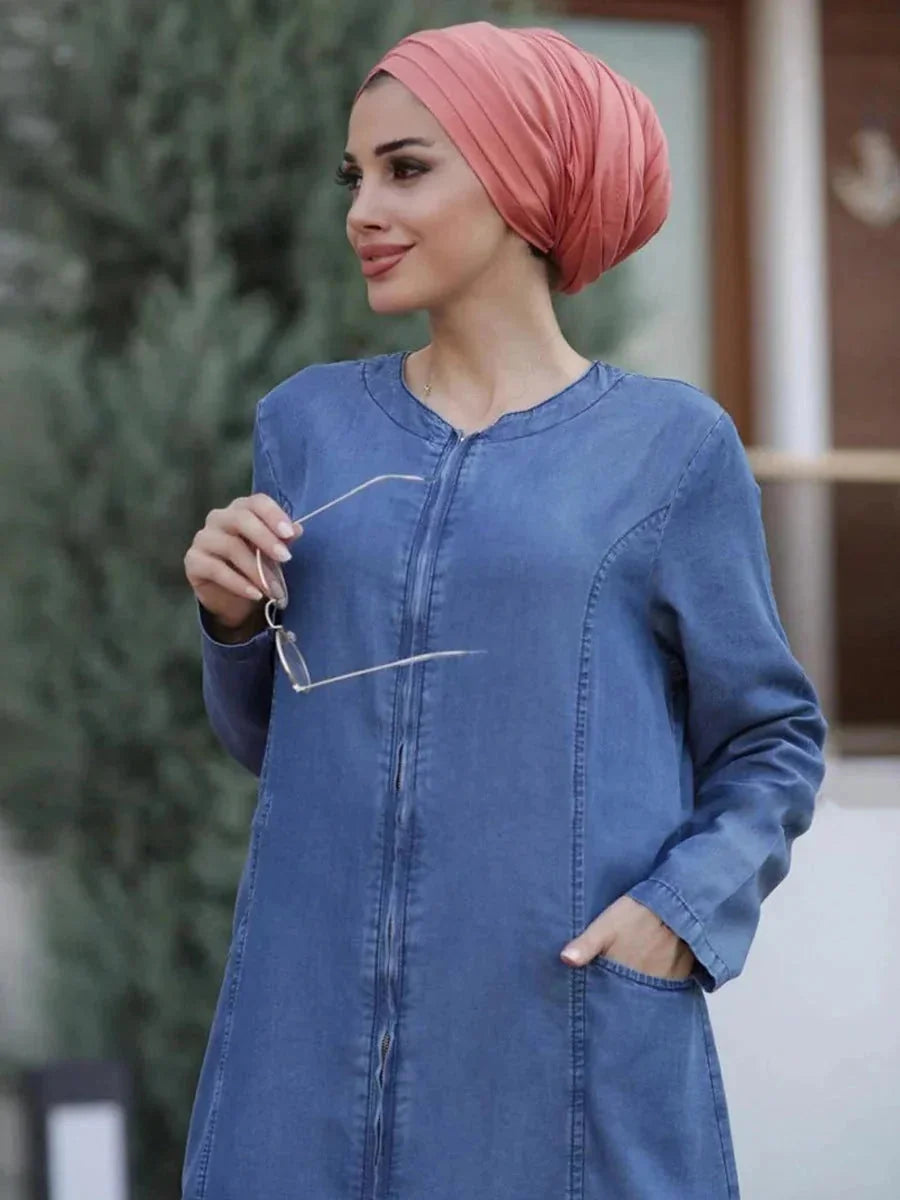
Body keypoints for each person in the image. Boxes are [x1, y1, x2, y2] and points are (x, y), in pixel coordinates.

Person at [181, 20, 827, 1200]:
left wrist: (675, 916)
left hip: (556, 1038)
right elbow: (284, 739)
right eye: (354, 176)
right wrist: (232, 624)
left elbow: (771, 738)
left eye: (406, 169)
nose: (363, 211)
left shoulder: (670, 449)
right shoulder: (307, 424)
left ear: (522, 180)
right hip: (306, 1035)